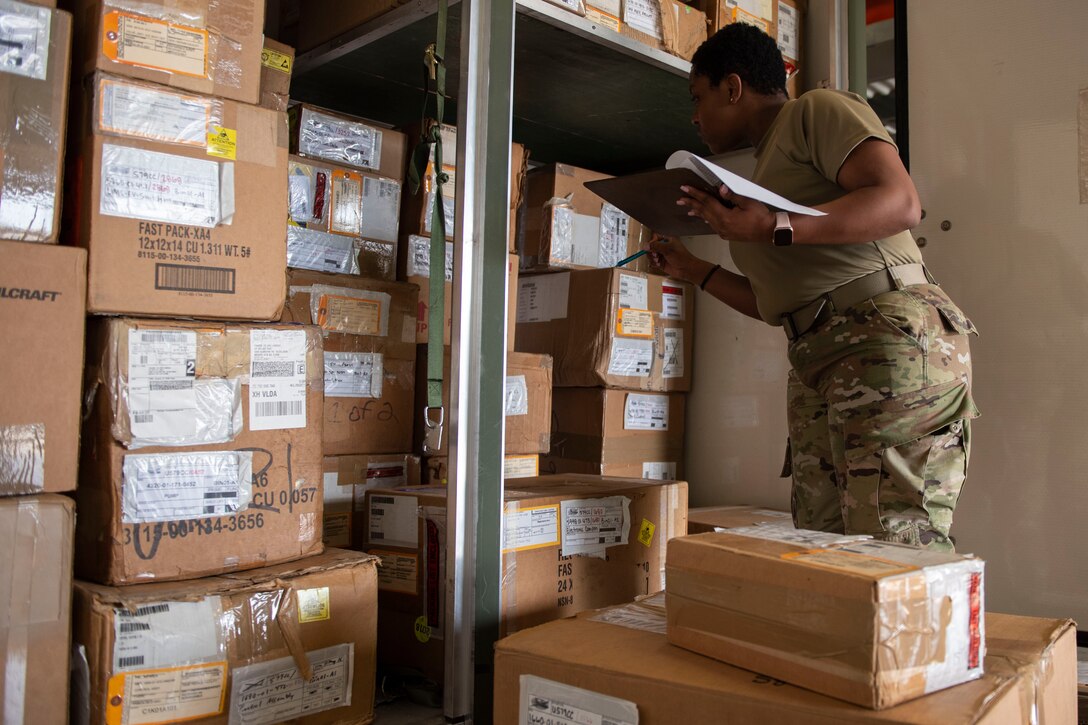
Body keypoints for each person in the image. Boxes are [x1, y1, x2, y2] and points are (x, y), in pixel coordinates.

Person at [646, 23, 979, 551]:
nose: (694, 116)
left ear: (733, 88)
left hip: (883, 334)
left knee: (893, 544)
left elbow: (899, 203)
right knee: (824, 545)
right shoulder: (765, 170)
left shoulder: (814, 111)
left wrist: (773, 226)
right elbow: (778, 303)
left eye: (698, 97)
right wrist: (693, 271)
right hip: (818, 353)